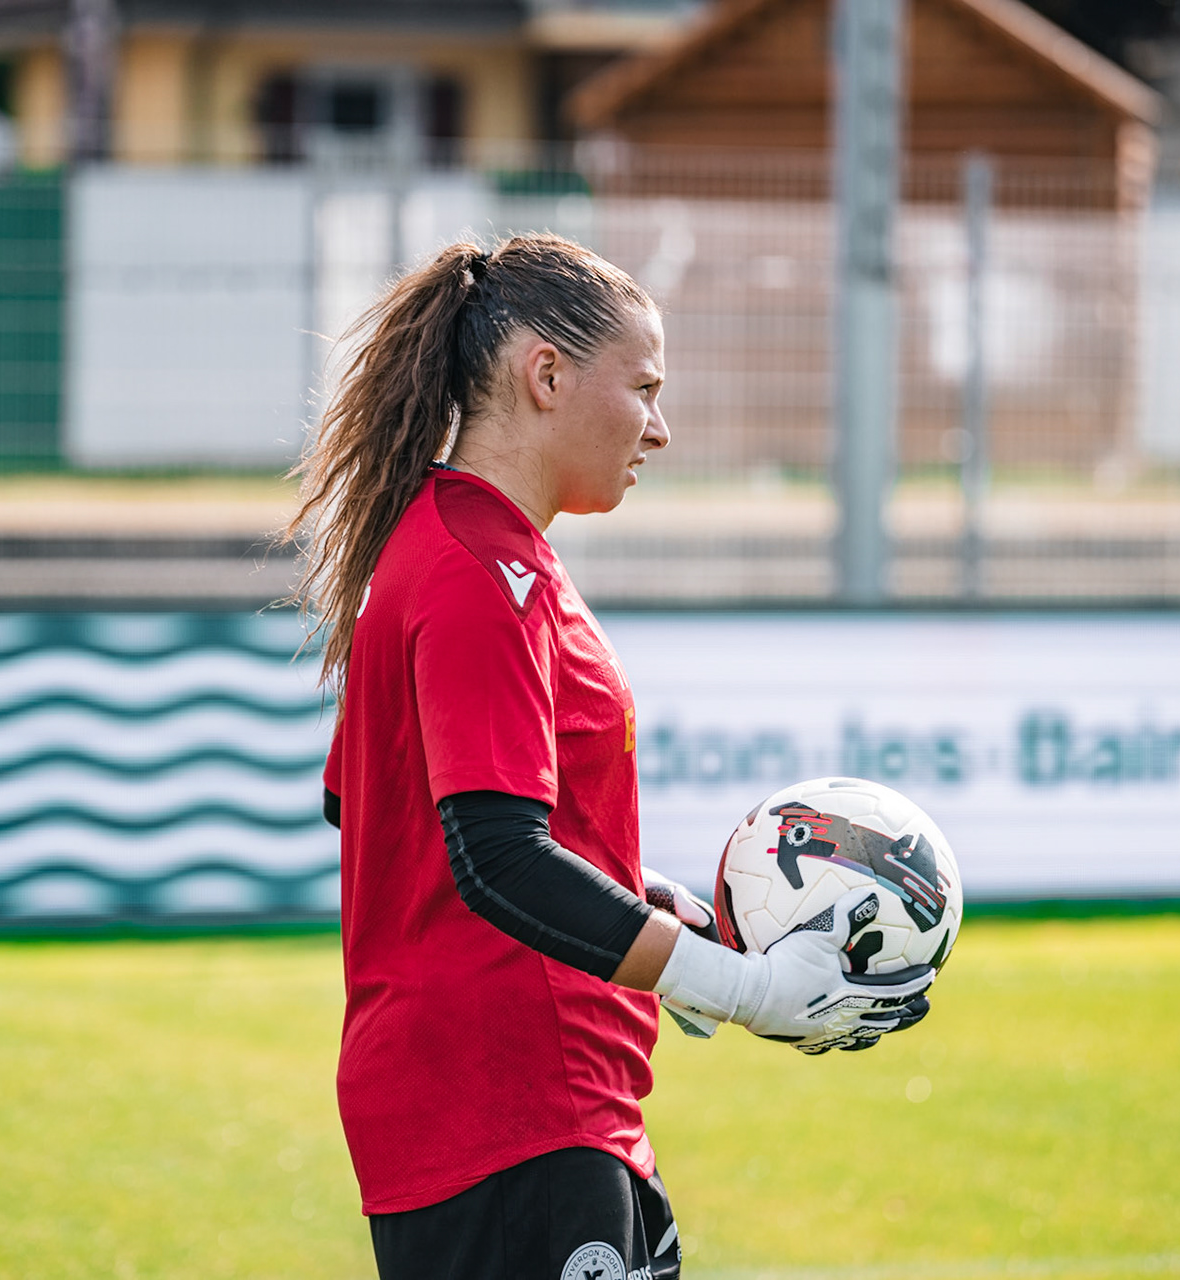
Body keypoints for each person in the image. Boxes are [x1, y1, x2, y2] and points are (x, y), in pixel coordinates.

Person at [289, 234, 934, 1280]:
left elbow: (404, 816)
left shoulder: (476, 548)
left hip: (548, 1101)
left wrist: (647, 906)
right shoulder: (473, 570)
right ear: (545, 375)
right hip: (511, 1109)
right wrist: (741, 985)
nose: (661, 427)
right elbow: (492, 852)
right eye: (643, 387)